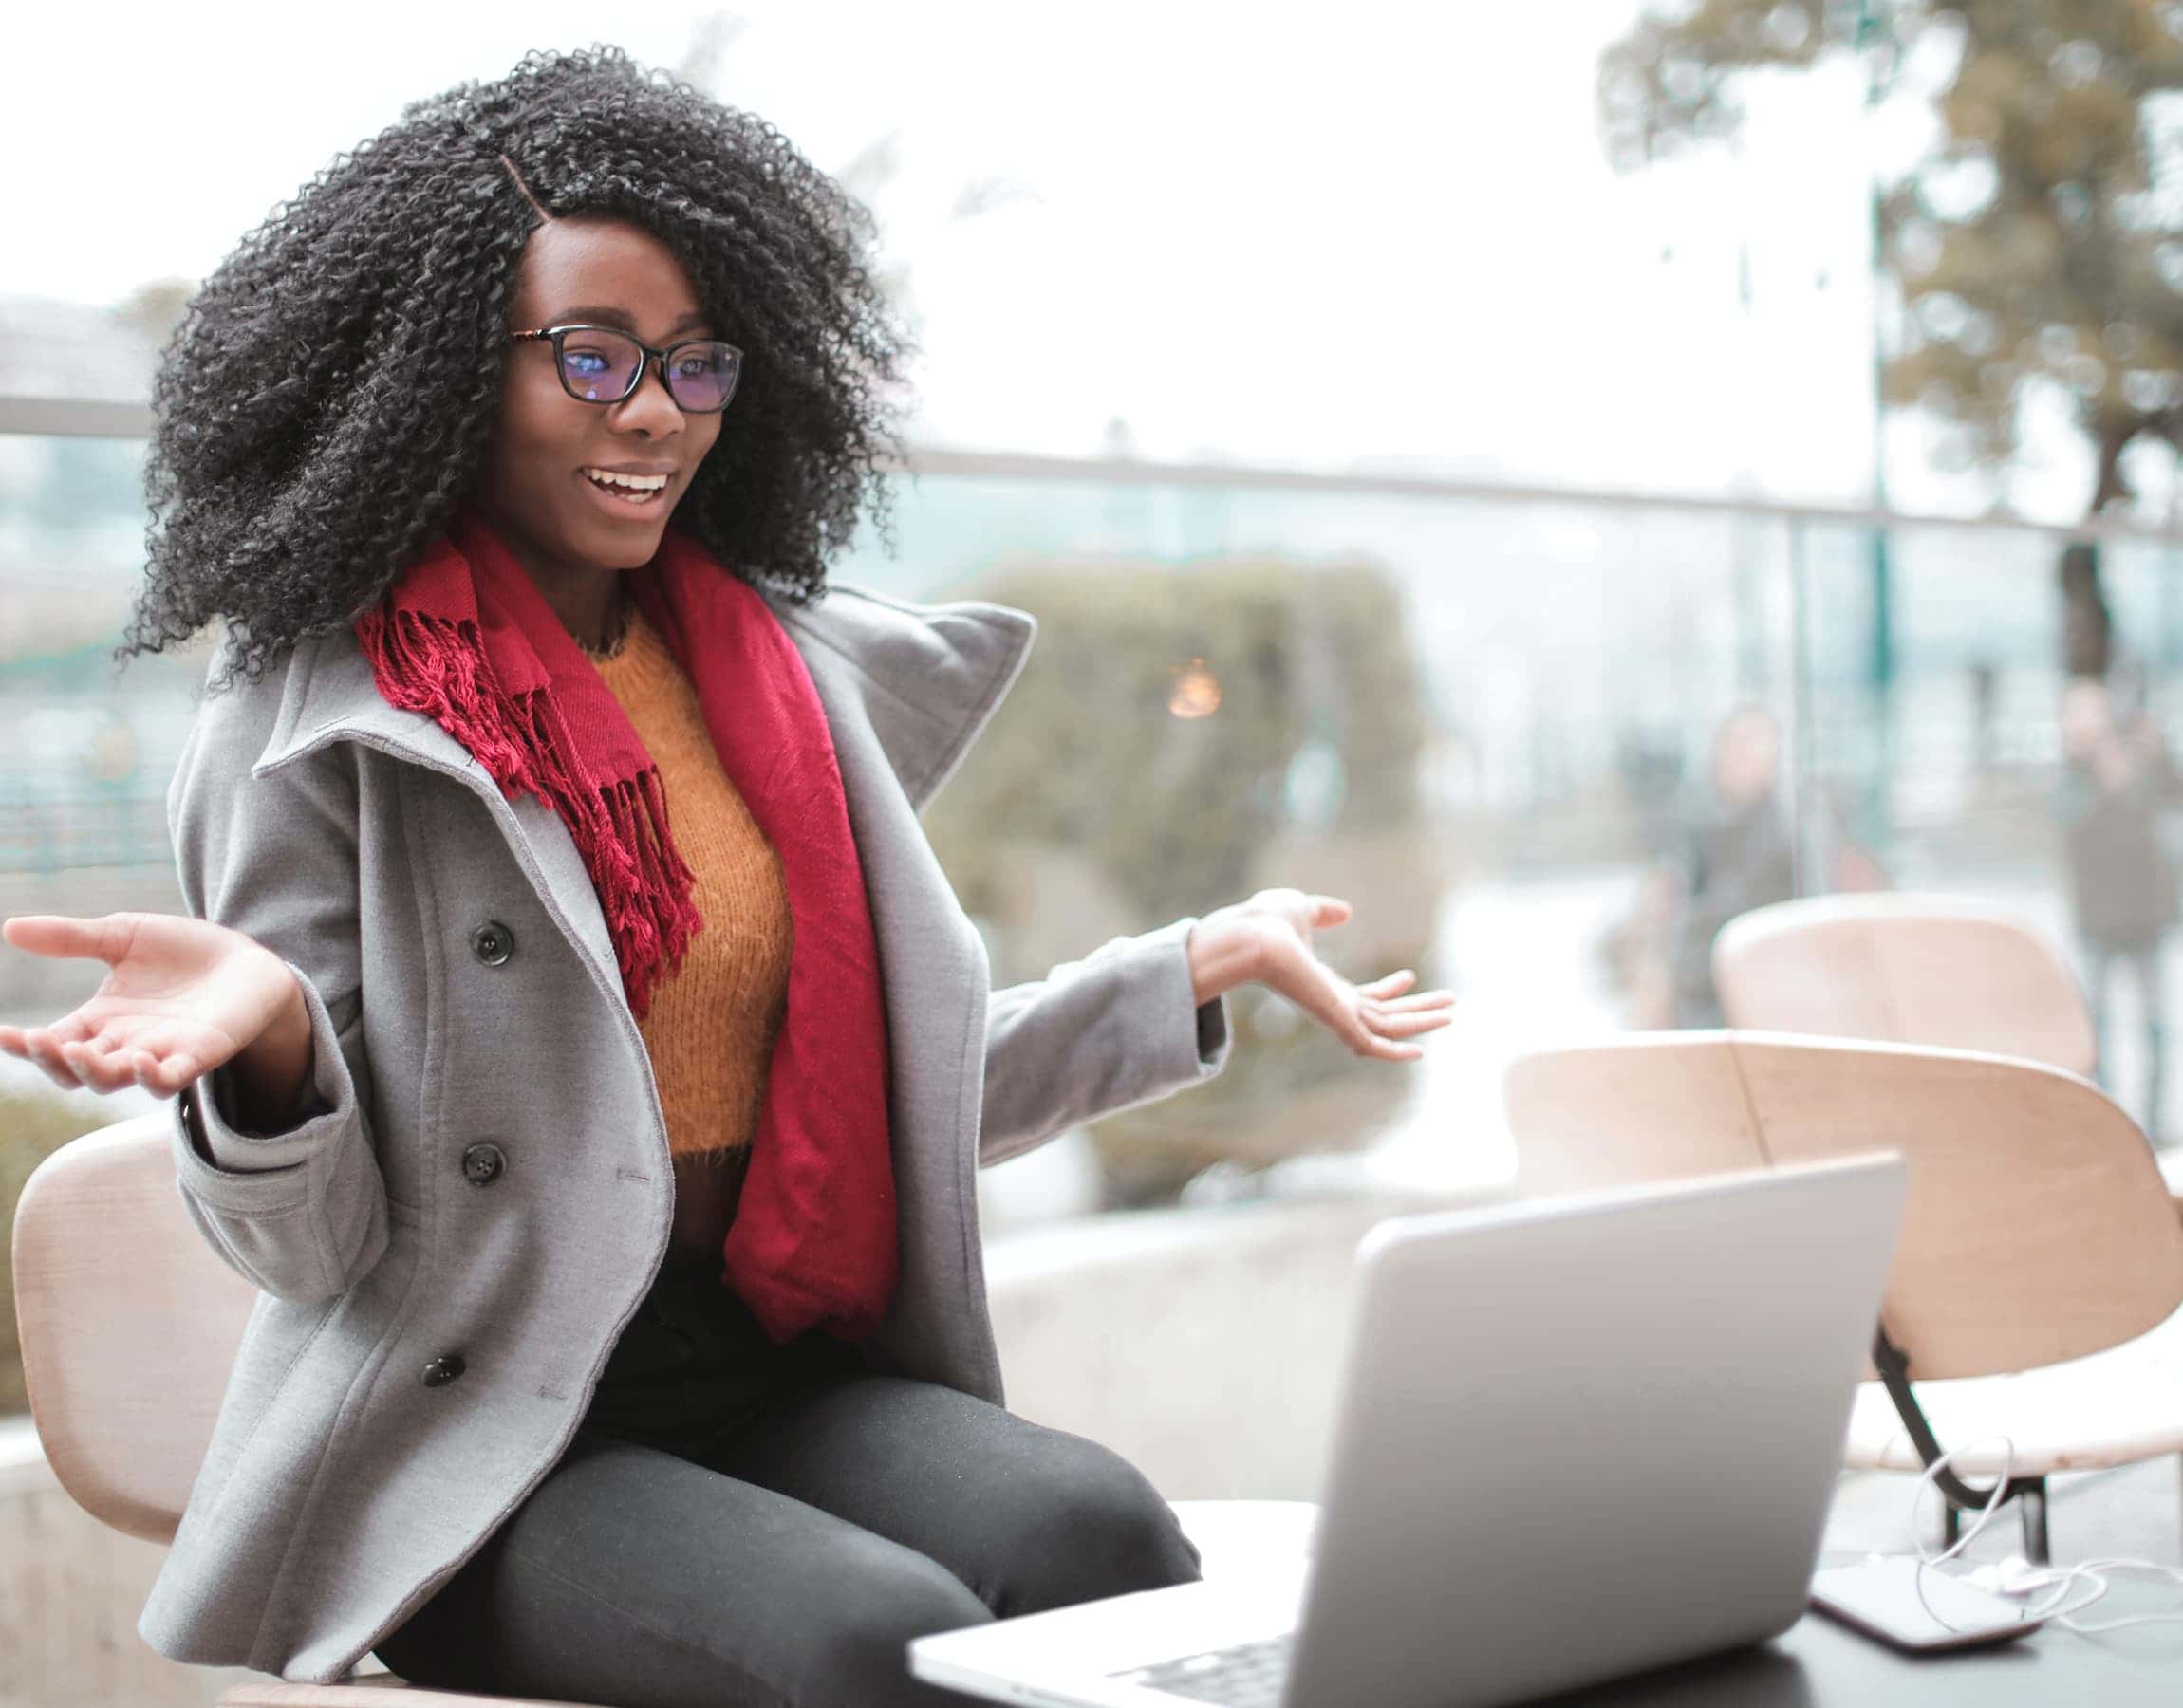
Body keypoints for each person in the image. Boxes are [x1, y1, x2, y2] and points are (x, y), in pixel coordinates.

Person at [0, 47, 1453, 1708]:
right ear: (439, 371)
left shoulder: (774, 679)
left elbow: (870, 1104)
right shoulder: (316, 726)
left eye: (694, 367)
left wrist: (1187, 967)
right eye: (593, 356)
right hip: (494, 1430)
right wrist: (270, 1057)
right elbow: (323, 1257)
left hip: (769, 1353)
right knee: (867, 1641)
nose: (651, 414)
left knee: (1096, 1536)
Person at [2056, 673, 2180, 1141]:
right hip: (2097, 922)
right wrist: (2107, 776)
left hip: (2144, 917)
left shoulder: (2138, 762)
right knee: (2097, 1031)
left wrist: (2155, 750)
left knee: (2155, 1027)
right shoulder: (2072, 778)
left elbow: (2173, 796)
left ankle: (2153, 1121)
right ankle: (2108, 1123)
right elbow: (2080, 832)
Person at [1665, 704, 1797, 1028]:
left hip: (1764, 977)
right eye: (1737, 747)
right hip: (1700, 979)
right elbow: (1678, 897)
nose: (1745, 759)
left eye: (1756, 748)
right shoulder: (1698, 822)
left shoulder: (1791, 831)